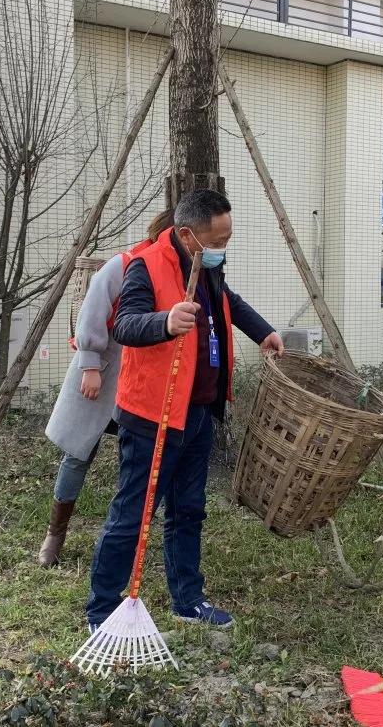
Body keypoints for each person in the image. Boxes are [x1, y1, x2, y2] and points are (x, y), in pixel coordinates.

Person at [86, 189, 284, 631]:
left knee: (189, 509)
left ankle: (187, 599)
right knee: (133, 512)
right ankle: (103, 609)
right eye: (217, 240)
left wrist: (262, 332)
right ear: (186, 235)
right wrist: (164, 322)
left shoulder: (208, 267)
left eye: (227, 238)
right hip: (152, 415)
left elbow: (227, 301)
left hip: (198, 412)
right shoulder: (146, 265)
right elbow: (123, 323)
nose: (222, 248)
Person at [38, 210, 174, 567]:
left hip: (145, 374)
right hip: (105, 365)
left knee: (141, 455)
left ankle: (127, 535)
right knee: (79, 451)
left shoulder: (179, 274)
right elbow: (92, 311)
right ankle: (55, 533)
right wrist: (90, 364)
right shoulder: (124, 264)